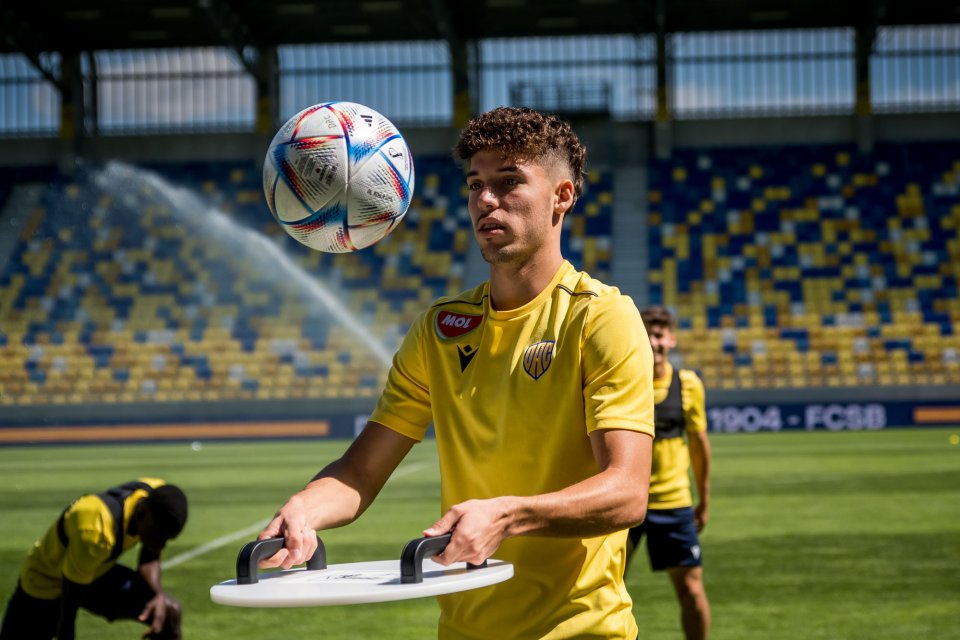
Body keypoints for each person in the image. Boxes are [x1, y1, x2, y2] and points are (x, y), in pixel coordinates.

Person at [259, 106, 655, 639]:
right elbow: (361, 472)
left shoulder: (600, 317)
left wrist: (507, 516)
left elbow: (627, 492)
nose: (486, 200)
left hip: (581, 630)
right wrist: (305, 507)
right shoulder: (440, 328)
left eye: (509, 182)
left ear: (562, 196)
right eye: (475, 185)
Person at [0, 478, 188, 640]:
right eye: (157, 537)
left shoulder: (157, 498)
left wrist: (158, 595)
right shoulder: (96, 530)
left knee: (168, 612)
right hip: (46, 580)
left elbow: (150, 554)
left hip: (93, 571)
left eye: (167, 539)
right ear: (141, 514)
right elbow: (70, 602)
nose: (161, 545)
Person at [625, 306, 712, 640]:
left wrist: (703, 500)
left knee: (691, 590)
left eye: (659, 334)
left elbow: (699, 445)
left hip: (673, 502)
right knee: (605, 588)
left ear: (671, 339)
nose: (653, 341)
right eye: (647, 333)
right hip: (626, 501)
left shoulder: (687, 384)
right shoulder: (623, 381)